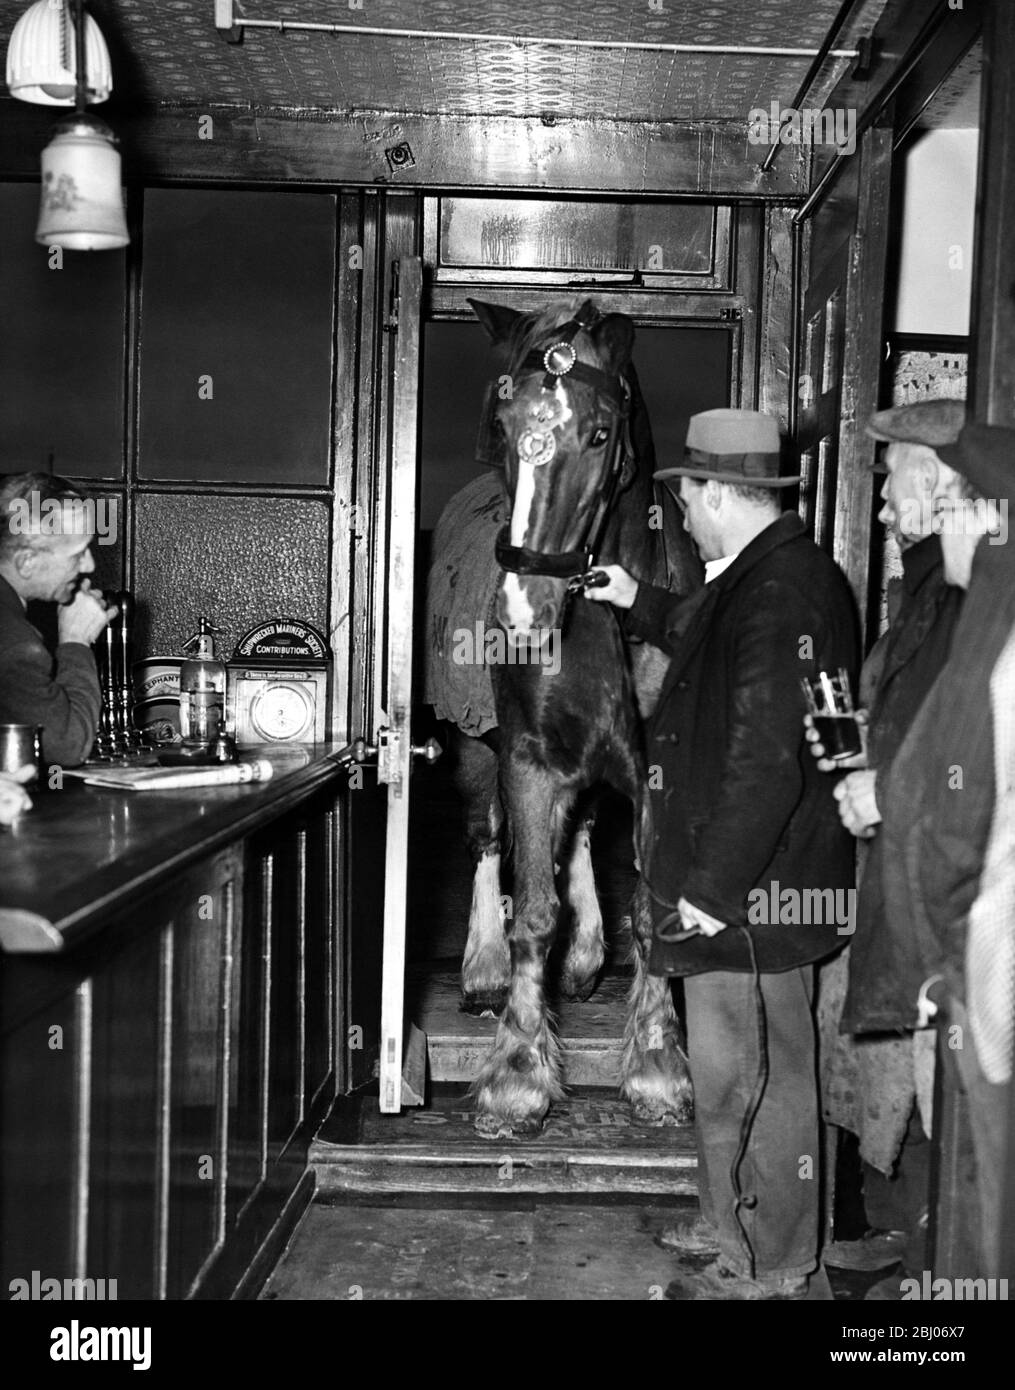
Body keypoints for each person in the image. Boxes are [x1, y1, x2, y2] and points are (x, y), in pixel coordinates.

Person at [587, 408, 859, 1299]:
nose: (682, 517)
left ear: (711, 493)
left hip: (752, 897)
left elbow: (765, 760)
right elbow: (707, 636)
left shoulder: (782, 591)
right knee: (724, 1079)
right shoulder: (762, 573)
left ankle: (774, 1264)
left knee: (761, 1085)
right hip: (744, 889)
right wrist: (638, 604)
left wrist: (712, 887)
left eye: (687, 498)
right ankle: (727, 1227)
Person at [803, 400, 967, 1288]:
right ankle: (908, 1235)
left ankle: (942, 1270)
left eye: (890, 479)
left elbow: (972, 748)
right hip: (894, 873)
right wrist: (863, 740)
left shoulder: (969, 592)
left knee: (940, 1080)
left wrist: (887, 785)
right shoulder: (924, 585)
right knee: (889, 1067)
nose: (876, 504)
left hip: (943, 888)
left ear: (939, 484)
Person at [876, 422, 1015, 1281]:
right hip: (969, 954)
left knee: (990, 1181)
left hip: (984, 959)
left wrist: (937, 951)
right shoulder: (981, 612)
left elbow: (960, 812)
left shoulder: (988, 628)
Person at [0, 472, 115, 769]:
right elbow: (67, 747)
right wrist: (76, 641)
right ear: (27, 562)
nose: (89, 565)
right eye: (77, 555)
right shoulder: (17, 646)